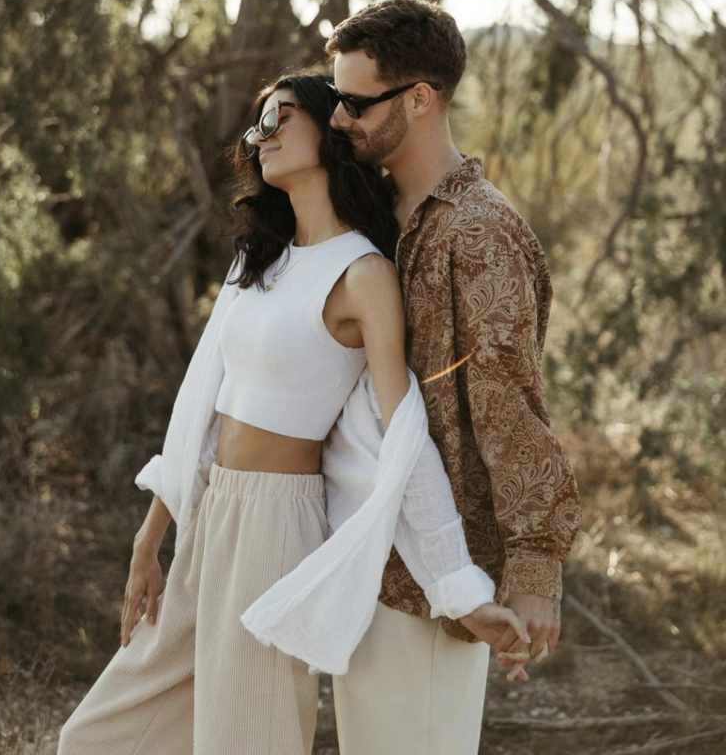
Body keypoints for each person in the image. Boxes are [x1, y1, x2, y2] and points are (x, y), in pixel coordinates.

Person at [57, 72, 531, 755]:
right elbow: (203, 403)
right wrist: (150, 535)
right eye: (258, 124)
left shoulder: (363, 273)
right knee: (96, 738)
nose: (263, 134)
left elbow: (404, 436)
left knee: (250, 741)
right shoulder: (259, 260)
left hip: (277, 527)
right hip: (209, 520)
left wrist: (459, 587)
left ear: (329, 127)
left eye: (282, 116)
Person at [326, 0, 584, 755]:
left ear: (419, 99)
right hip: (366, 553)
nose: (340, 118)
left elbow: (510, 407)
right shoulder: (376, 215)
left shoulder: (479, 232)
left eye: (354, 102)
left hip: (439, 578)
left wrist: (534, 567)